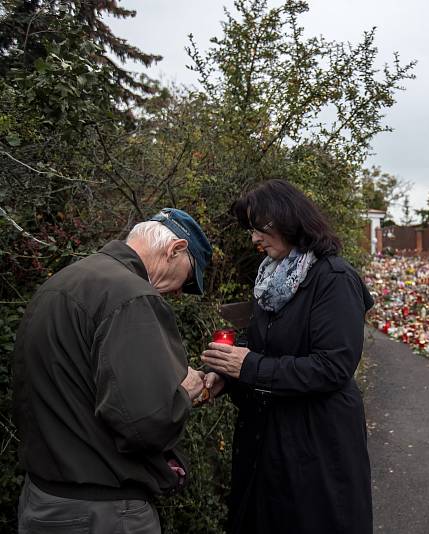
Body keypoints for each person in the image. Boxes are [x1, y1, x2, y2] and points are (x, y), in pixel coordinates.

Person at [14, 208, 212, 533]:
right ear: (175, 249)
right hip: (102, 513)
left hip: (41, 500)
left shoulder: (61, 282)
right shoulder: (131, 295)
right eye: (188, 279)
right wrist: (185, 393)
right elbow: (144, 424)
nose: (178, 292)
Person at [201, 179, 374, 534]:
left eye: (257, 229)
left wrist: (249, 366)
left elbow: (333, 366)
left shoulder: (333, 279)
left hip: (317, 444)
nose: (253, 240)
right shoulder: (271, 278)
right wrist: (228, 374)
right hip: (270, 442)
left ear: (286, 220)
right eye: (250, 231)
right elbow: (265, 344)